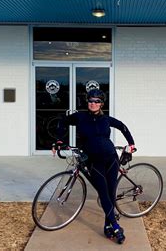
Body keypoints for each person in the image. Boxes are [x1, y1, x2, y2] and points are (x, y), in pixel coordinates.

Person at [56, 89, 135, 244]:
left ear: (101, 104)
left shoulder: (106, 119)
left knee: (111, 192)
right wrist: (59, 140)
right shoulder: (80, 117)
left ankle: (107, 224)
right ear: (88, 102)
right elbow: (62, 121)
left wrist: (131, 144)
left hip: (111, 158)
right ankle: (116, 226)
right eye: (91, 100)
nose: (93, 103)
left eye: (97, 101)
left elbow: (123, 127)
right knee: (104, 193)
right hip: (93, 161)